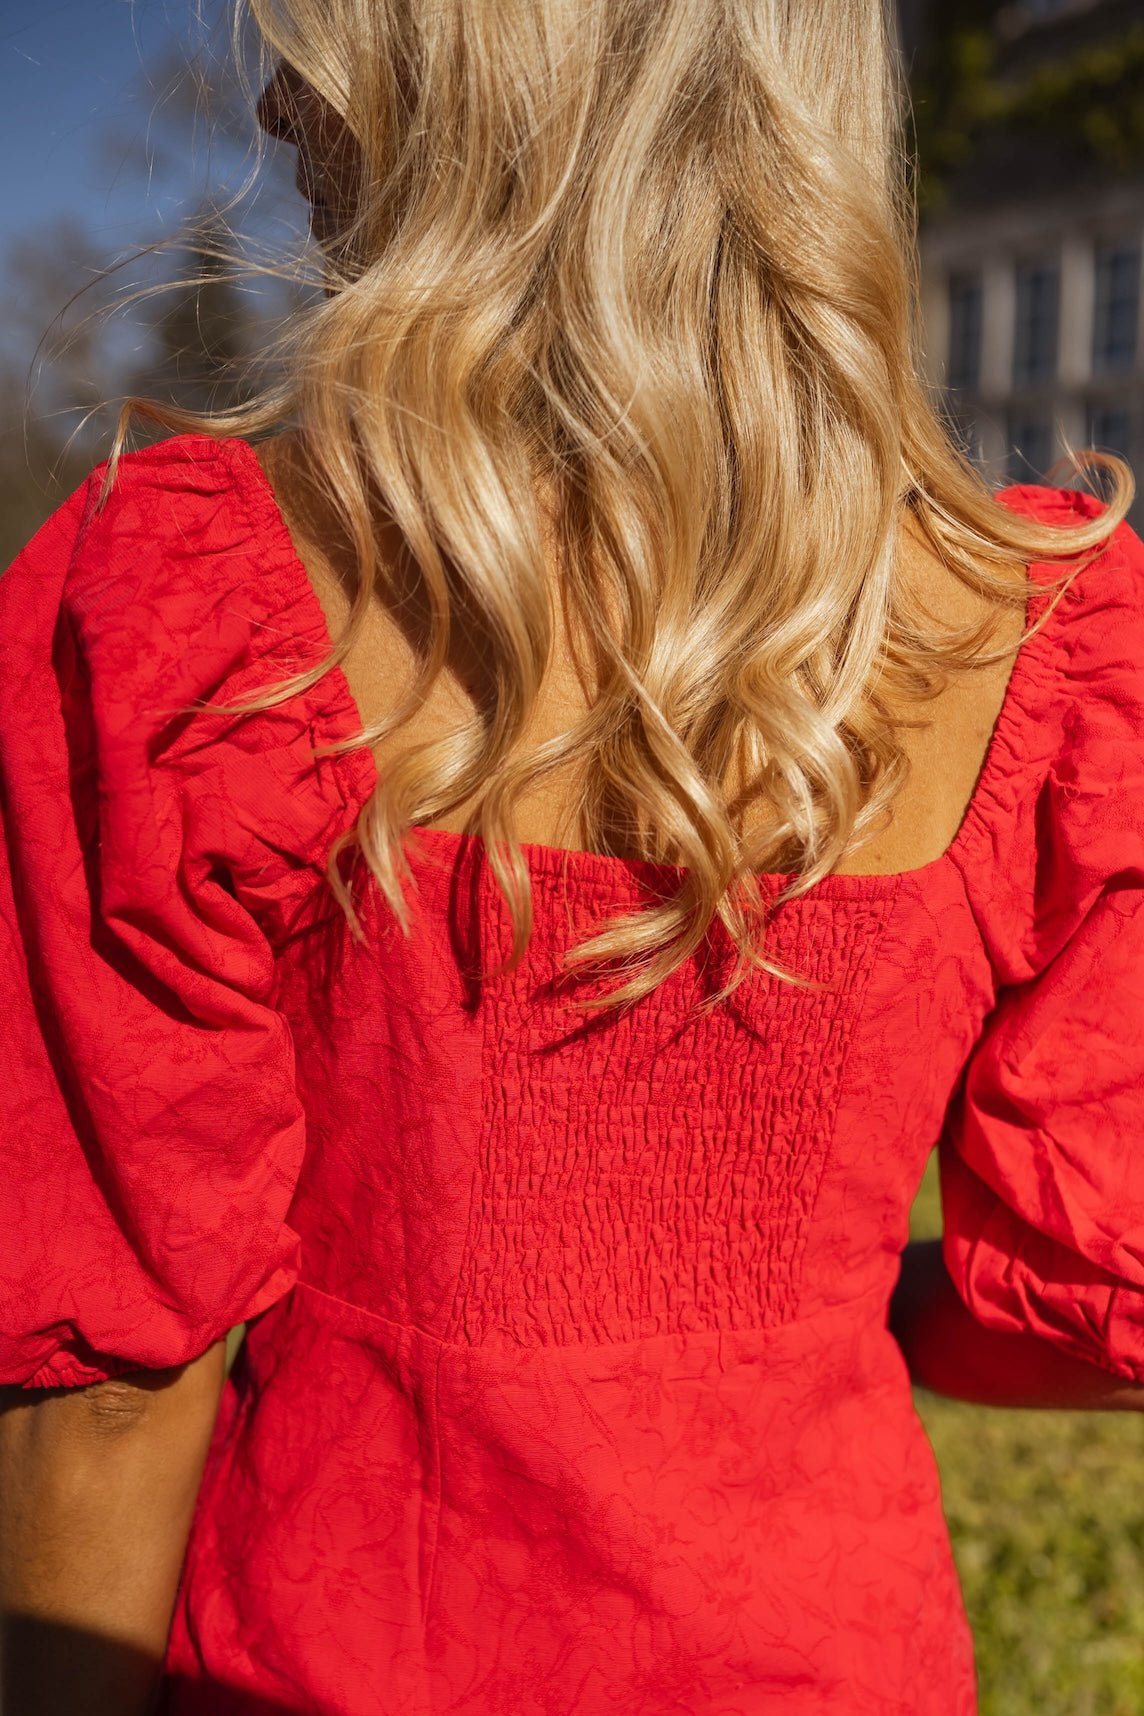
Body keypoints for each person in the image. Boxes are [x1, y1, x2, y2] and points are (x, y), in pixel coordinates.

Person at [1, 3, 1142, 1713]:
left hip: (335, 1650)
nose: (271, 96)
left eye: (318, 40)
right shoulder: (1050, 644)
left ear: (469, 96)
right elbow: (1097, 1294)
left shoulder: (199, 609)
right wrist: (792, 1318)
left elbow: (105, 1383)